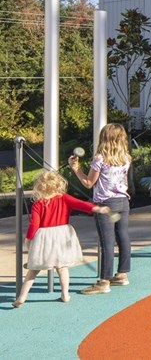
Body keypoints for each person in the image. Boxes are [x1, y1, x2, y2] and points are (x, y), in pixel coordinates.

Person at [13, 171, 109, 307]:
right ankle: (65, 294)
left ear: (39, 187)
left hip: (44, 237)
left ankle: (22, 297)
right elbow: (81, 204)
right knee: (62, 268)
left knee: (33, 269)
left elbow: (34, 223)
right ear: (59, 185)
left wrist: (28, 239)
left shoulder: (39, 204)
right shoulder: (64, 198)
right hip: (62, 235)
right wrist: (96, 208)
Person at [69, 122, 132, 294]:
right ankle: (122, 274)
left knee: (107, 242)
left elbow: (89, 183)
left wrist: (76, 169)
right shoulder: (125, 157)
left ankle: (104, 281)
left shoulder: (100, 159)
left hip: (106, 204)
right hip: (122, 201)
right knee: (123, 236)